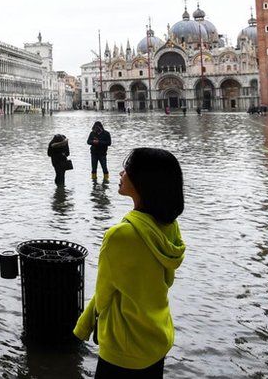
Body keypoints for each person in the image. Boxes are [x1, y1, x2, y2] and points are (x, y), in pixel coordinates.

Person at [74, 147, 186, 378]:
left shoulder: (121, 235)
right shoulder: (169, 226)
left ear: (144, 181)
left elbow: (103, 295)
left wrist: (82, 328)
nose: (121, 173)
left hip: (123, 347)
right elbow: (167, 279)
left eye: (128, 169)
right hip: (158, 336)